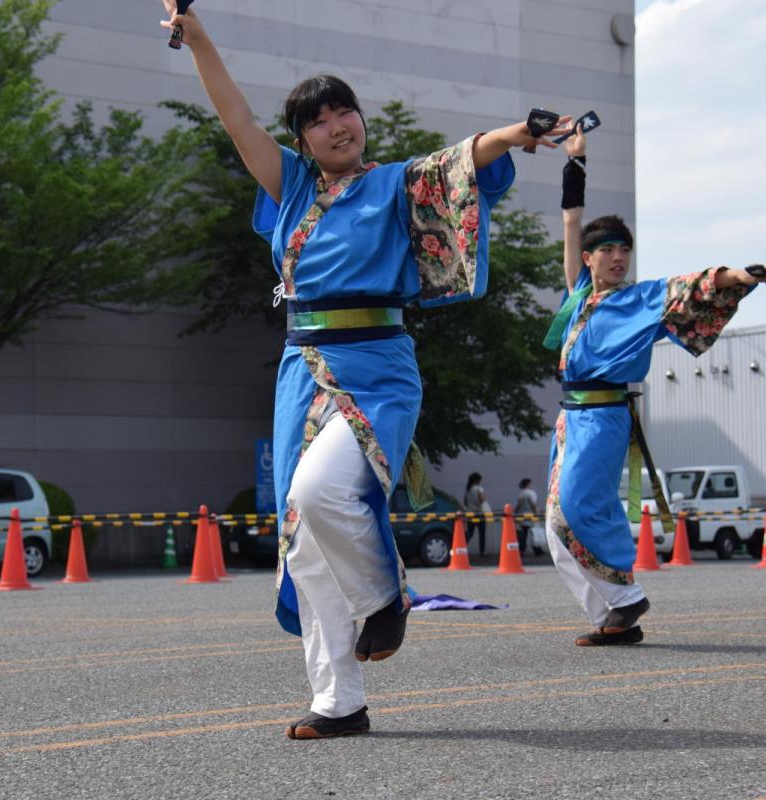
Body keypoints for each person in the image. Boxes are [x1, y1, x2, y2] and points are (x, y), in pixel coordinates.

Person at [159, 1, 569, 738]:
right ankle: (337, 701)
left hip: (378, 365)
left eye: (344, 111)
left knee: (319, 493)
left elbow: (462, 160)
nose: (337, 125)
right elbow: (235, 117)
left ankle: (384, 596)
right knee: (303, 535)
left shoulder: (397, 184)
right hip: (302, 367)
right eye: (318, 120)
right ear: (303, 140)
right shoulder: (290, 186)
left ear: (360, 119)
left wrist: (519, 133)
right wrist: (200, 39)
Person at [543, 124, 766, 647]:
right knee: (553, 525)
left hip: (604, 417)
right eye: (608, 249)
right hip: (570, 419)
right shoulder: (579, 293)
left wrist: (739, 276)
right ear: (589, 258)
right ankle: (615, 614)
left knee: (575, 510)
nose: (618, 257)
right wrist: (576, 160)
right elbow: (570, 221)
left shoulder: (642, 299)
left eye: (624, 250)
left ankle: (626, 596)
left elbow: (691, 286)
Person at [462, 472, 492, 557]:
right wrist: (483, 498)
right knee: (482, 534)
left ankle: (461, 547)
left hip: (470, 513)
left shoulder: (468, 489)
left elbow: (465, 502)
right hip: (479, 513)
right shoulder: (479, 488)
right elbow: (482, 499)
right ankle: (482, 552)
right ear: (477, 480)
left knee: (470, 533)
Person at [513, 478, 539, 552]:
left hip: (522, 516)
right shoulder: (531, 493)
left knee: (523, 534)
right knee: (534, 534)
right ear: (528, 484)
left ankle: (522, 549)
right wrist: (536, 513)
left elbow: (518, 506)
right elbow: (533, 504)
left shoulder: (521, 493)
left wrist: (515, 514)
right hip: (531, 516)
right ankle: (537, 549)